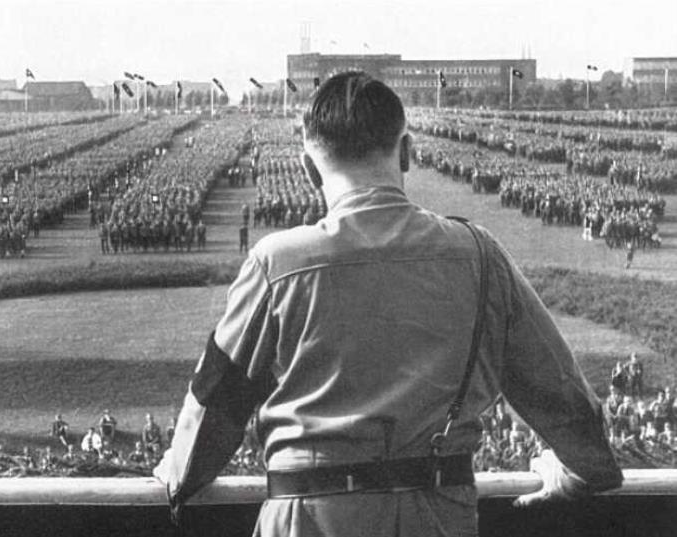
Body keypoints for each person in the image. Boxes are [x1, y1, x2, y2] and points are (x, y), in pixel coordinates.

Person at [154, 72, 622, 536]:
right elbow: (558, 388)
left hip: (310, 517)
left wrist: (178, 475)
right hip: (440, 514)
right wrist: (587, 469)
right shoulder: (480, 254)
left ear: (308, 168)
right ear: (407, 152)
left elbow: (216, 399)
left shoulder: (277, 263)